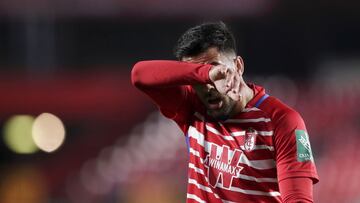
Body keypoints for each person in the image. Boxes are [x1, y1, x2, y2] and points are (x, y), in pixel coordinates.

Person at [131, 22, 319, 203]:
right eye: (197, 76)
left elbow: (298, 199)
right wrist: (206, 74)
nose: (207, 87)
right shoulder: (192, 106)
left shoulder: (282, 120)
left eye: (217, 69)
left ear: (238, 66)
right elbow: (139, 75)